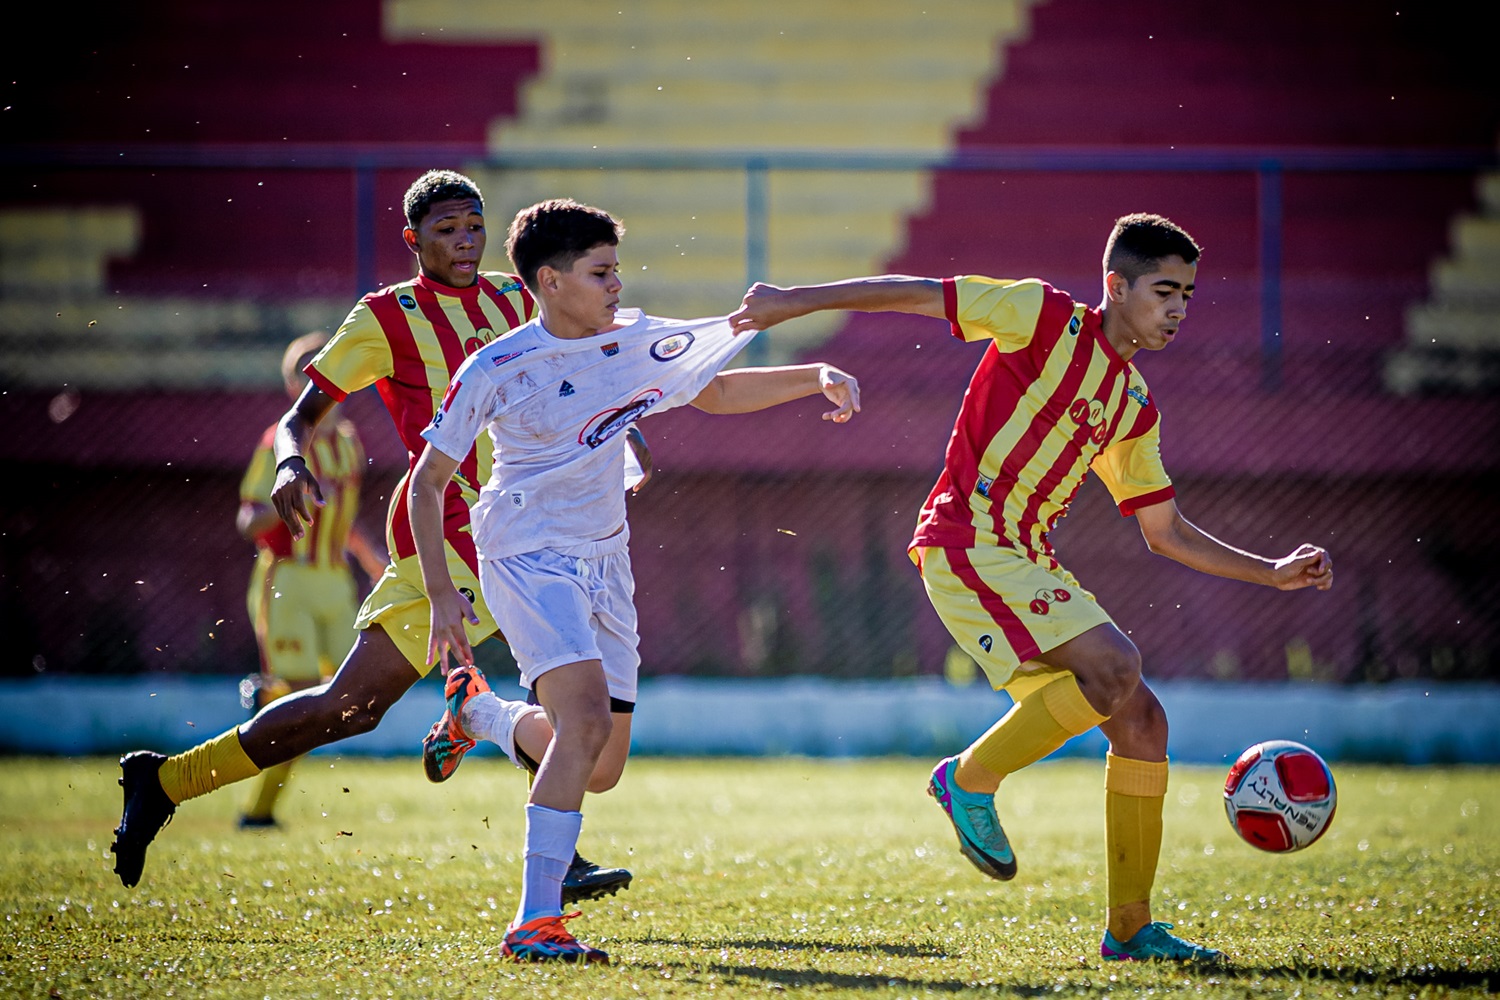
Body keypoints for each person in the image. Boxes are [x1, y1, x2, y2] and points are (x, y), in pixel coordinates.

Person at [729, 213, 1333, 965]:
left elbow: (1165, 532)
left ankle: (1130, 930)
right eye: (1163, 291)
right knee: (1116, 667)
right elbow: (917, 295)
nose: (1178, 308)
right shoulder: (1041, 315)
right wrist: (794, 301)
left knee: (1142, 721)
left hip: (1026, 560)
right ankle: (967, 780)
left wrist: (1270, 571)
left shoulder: (1133, 405)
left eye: (1188, 295)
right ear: (1116, 287)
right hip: (965, 542)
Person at [110, 171, 635, 901]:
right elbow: (301, 416)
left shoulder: (516, 297)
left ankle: (529, 806)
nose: (466, 240)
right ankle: (167, 781)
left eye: (475, 226)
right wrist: (291, 459)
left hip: (528, 529)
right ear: (413, 239)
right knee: (350, 707)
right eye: (448, 229)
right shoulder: (385, 318)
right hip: (451, 538)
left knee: (562, 700)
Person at [410, 198, 860, 963]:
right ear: (550, 282)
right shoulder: (498, 367)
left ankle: (478, 717)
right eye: (600, 272)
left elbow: (714, 391)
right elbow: (426, 484)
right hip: (526, 555)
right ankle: (534, 922)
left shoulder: (639, 340)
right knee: (583, 724)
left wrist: (814, 375)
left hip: (605, 559)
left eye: (618, 269)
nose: (617, 285)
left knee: (602, 766)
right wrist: (440, 595)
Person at [233, 331, 387, 828]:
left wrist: (372, 557)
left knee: (355, 695)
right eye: (301, 371)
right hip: (289, 583)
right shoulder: (278, 444)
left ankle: (267, 698)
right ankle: (259, 809)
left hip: (336, 582)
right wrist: (285, 504)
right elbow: (248, 518)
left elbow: (344, 517)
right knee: (305, 699)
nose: (312, 377)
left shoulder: (347, 444)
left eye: (317, 366)